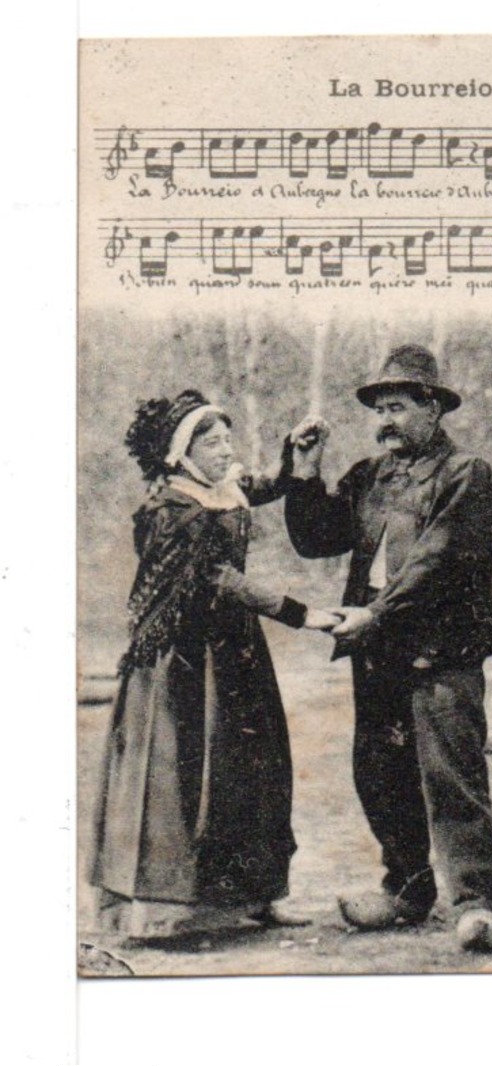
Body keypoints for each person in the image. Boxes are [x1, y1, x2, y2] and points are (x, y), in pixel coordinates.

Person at [284, 345, 492, 953]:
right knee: (380, 772)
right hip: (376, 649)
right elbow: (315, 538)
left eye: (399, 407)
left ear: (433, 408)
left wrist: (377, 615)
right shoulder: (370, 476)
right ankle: (408, 891)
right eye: (379, 408)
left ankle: (477, 904)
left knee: (451, 775)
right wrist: (304, 471)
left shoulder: (467, 474)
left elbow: (438, 561)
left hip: (441, 650)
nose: (385, 420)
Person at [92, 391, 341, 941]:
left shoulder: (218, 490)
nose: (227, 449)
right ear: (182, 454)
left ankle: (259, 895)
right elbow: (221, 579)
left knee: (256, 769)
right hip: (181, 664)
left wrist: (295, 459)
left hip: (234, 653)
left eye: (228, 438)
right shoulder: (172, 510)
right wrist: (305, 615)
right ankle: (173, 910)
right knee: (183, 776)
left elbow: (259, 485)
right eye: (213, 441)